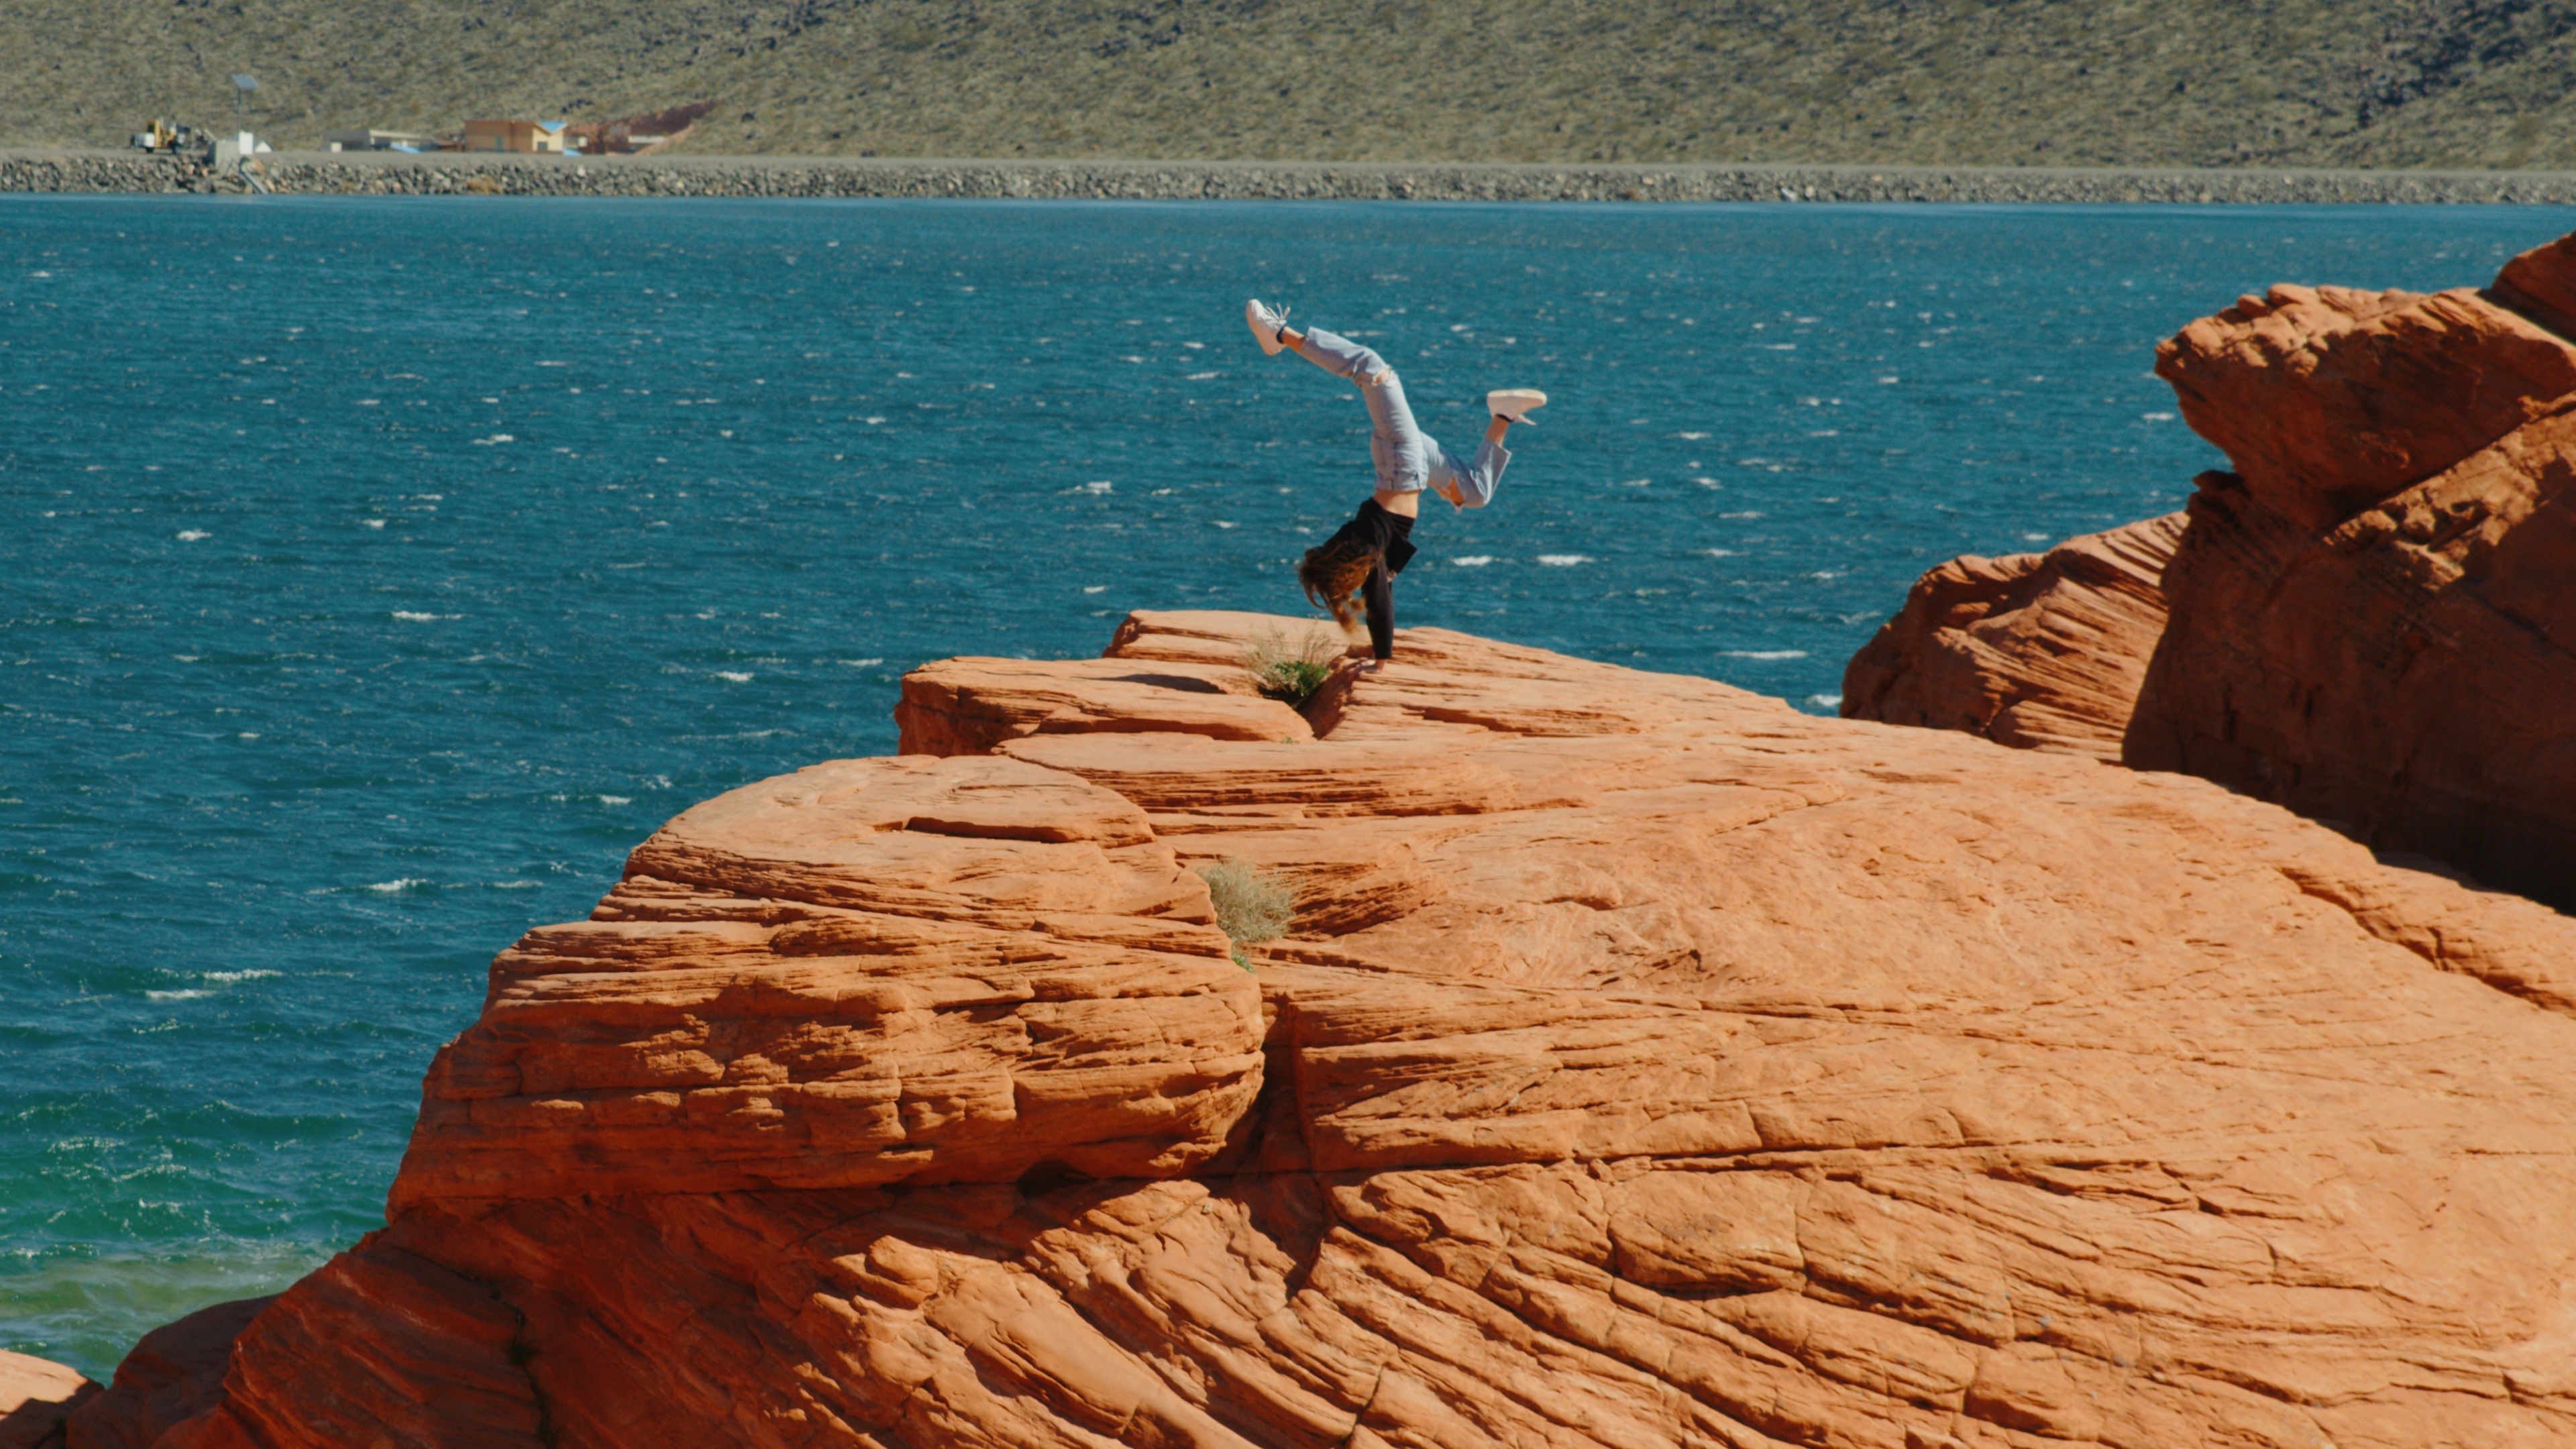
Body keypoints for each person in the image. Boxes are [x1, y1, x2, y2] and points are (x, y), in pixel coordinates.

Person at [1245, 299, 1544, 665]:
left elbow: (1377, 603)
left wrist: (1382, 661)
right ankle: (1503, 414)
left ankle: (1278, 333)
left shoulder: (1366, 548)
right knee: (1476, 493)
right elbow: (1378, 605)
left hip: (1402, 462)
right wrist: (1377, 652)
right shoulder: (1373, 562)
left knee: (1370, 367)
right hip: (1411, 465)